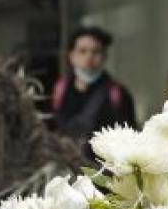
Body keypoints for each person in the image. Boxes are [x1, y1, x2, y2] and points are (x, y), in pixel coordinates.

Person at [53, 26, 136, 155]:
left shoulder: (117, 93)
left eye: (95, 51)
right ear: (71, 56)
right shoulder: (60, 89)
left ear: (104, 57)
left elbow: (130, 137)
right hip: (66, 167)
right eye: (82, 51)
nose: (89, 57)